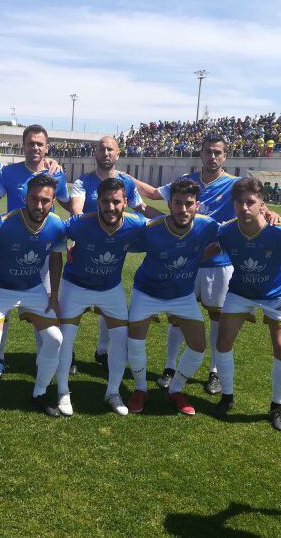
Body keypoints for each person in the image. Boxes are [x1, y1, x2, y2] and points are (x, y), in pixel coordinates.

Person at [211, 177, 281, 431]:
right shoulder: (226, 232)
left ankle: (277, 406)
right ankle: (227, 397)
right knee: (222, 343)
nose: (244, 207)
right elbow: (207, 247)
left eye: (250, 202)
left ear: (261, 204)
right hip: (240, 293)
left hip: (276, 296)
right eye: (239, 202)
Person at [121, 179, 219, 415]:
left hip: (182, 295)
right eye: (177, 203)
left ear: (197, 205)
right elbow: (119, 241)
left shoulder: (208, 226)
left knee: (198, 347)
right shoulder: (151, 229)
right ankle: (141, 389)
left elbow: (229, 238)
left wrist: (268, 213)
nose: (183, 209)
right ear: (169, 204)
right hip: (147, 291)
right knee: (135, 342)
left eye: (189, 204)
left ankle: (175, 390)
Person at [0, 174, 66, 422]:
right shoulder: (4, 223)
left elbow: (56, 258)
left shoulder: (57, 225)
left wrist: (54, 295)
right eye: (34, 199)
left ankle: (40, 393)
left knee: (55, 339)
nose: (39, 205)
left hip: (32, 288)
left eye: (45, 200)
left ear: (53, 202)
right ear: (25, 198)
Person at [58, 177, 147, 416]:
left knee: (120, 338)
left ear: (125, 202)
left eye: (116, 201)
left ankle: (113, 392)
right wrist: (64, 246)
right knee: (66, 339)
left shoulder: (136, 223)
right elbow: (52, 231)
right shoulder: (79, 224)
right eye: (105, 201)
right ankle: (63, 391)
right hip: (75, 285)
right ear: (97, 202)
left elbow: (164, 227)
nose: (110, 207)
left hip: (110, 288)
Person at [70, 136, 158, 372]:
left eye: (110, 149)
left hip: (113, 250)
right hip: (85, 250)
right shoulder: (83, 181)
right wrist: (78, 237)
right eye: (101, 149)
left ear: (118, 154)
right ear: (95, 154)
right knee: (74, 307)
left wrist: (167, 220)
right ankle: (69, 353)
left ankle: (102, 350)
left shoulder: (126, 182)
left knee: (108, 298)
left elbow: (141, 208)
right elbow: (77, 213)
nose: (106, 152)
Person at [0, 124, 70, 378]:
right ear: (22, 146)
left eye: (39, 144)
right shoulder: (8, 173)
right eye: (30, 143)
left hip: (43, 251)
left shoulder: (57, 174)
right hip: (10, 249)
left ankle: (43, 359)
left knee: (46, 306)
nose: (35, 147)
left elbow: (69, 205)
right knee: (1, 311)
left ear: (47, 147)